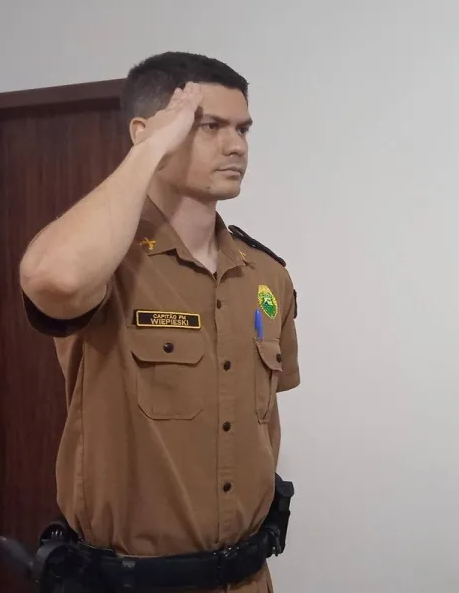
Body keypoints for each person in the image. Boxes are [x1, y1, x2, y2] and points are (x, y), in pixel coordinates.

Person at [18, 51, 300, 593]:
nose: (237, 146)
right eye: (209, 126)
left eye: (243, 128)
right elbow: (54, 278)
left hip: (248, 578)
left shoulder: (266, 277)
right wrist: (150, 151)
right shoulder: (109, 266)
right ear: (147, 131)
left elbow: (266, 424)